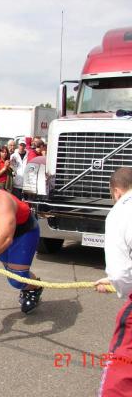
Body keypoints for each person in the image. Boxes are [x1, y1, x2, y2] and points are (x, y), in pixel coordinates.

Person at [95, 167, 132, 395]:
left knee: (119, 374)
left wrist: (113, 284)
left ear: (116, 192)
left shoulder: (120, 212)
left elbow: (120, 274)